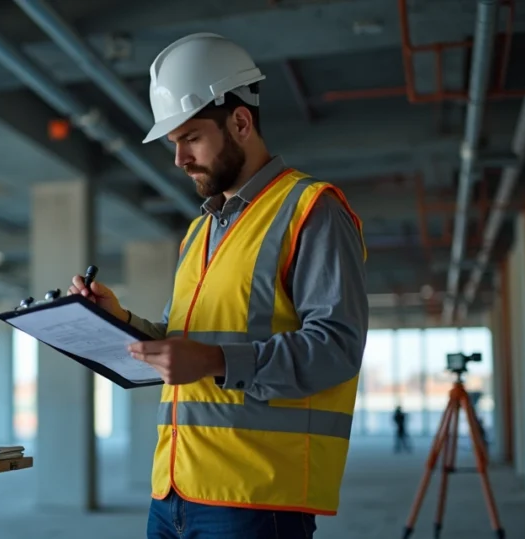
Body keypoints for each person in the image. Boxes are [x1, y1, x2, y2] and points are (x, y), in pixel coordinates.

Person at [67, 33, 368, 539]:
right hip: (173, 490)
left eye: (191, 138)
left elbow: (337, 347)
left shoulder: (311, 210)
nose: (180, 159)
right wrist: (119, 320)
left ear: (241, 122)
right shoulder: (199, 231)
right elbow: (184, 337)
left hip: (255, 500)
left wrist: (214, 361)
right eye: (174, 144)